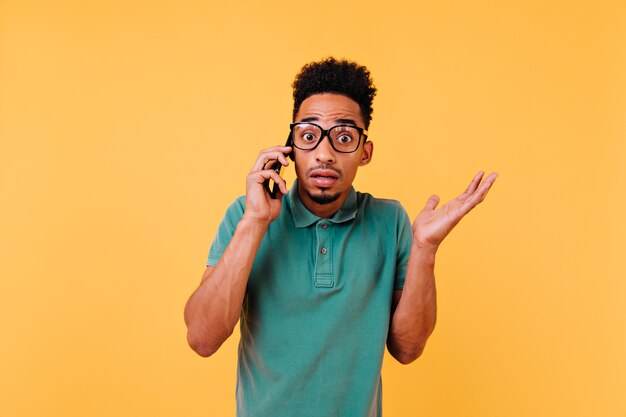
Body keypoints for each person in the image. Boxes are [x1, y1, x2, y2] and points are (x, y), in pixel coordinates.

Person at [184, 57, 498, 417]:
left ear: (365, 152)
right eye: (309, 136)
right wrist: (256, 221)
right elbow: (202, 339)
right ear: (290, 148)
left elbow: (408, 349)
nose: (324, 153)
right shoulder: (245, 215)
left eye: (344, 137)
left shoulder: (389, 221)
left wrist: (425, 247)